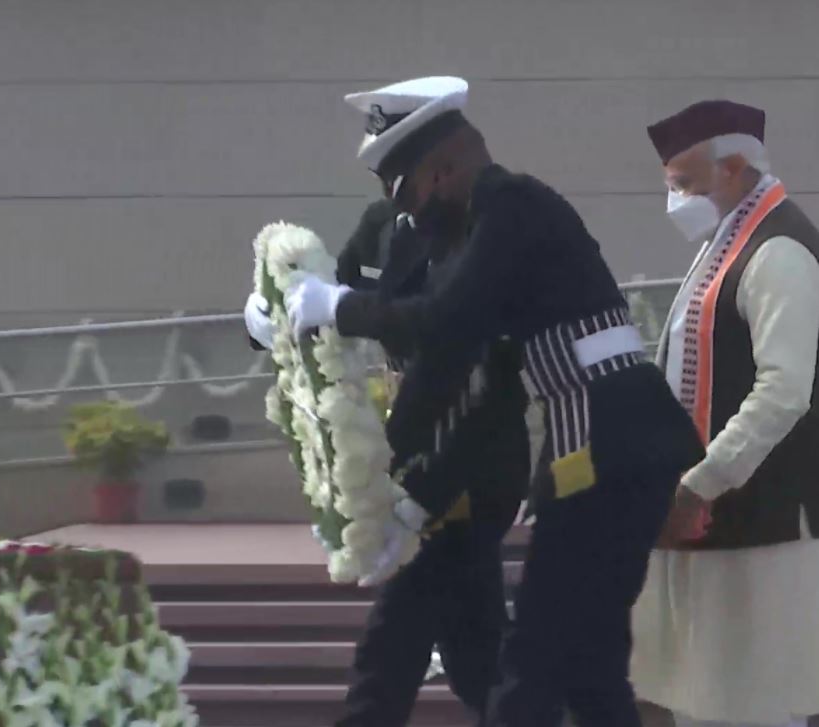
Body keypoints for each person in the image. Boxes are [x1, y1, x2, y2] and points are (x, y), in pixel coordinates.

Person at [284, 75, 705, 727]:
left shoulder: (511, 206)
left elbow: (445, 322)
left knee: (532, 662)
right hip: (602, 442)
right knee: (589, 664)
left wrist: (340, 308)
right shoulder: (485, 223)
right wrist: (392, 482)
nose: (408, 213)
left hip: (605, 441)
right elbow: (443, 363)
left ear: (442, 168)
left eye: (405, 190)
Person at [244, 190, 530, 725]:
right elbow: (338, 292)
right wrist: (269, 312)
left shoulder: (473, 236)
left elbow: (484, 387)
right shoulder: (384, 223)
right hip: (418, 445)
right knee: (477, 655)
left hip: (466, 458)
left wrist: (418, 501)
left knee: (392, 646)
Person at [630, 100, 819, 727]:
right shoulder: (725, 244)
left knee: (754, 706)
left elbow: (785, 390)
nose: (675, 200)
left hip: (762, 529)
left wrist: (701, 481)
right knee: (708, 703)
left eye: (683, 184)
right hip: (717, 523)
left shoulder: (779, 250)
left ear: (734, 166)